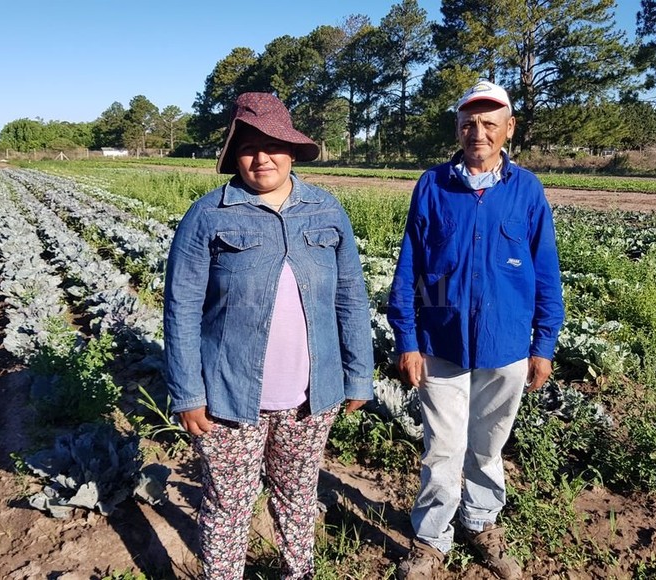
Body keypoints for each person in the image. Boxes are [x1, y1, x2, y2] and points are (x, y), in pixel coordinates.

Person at [163, 92, 374, 580]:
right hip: (229, 398)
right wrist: (188, 392)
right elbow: (180, 309)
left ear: (293, 150)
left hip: (310, 395)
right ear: (234, 155)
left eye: (273, 145)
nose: (262, 158)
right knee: (228, 505)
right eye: (248, 147)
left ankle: (297, 573)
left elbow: (350, 297)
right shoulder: (208, 215)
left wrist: (358, 375)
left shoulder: (325, 210)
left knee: (298, 498)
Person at [386, 80, 565, 579]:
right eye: (469, 122)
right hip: (441, 343)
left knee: (488, 445)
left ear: (509, 129)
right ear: (457, 128)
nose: (478, 132)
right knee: (442, 447)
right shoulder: (433, 185)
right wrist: (407, 338)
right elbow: (411, 267)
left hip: (506, 344)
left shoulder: (526, 189)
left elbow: (545, 270)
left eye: (490, 123)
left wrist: (543, 343)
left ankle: (481, 522)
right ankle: (431, 539)